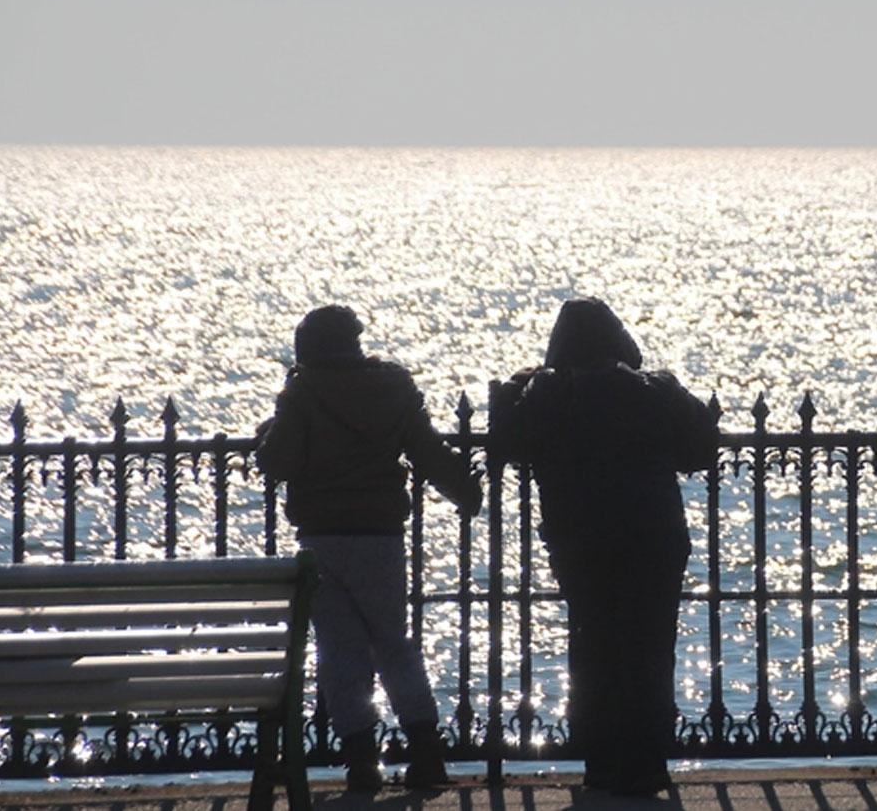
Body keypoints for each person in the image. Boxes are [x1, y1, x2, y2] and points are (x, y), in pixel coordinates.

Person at [491, 297, 716, 798]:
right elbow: (701, 448)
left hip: (581, 538)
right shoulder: (655, 389)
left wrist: (508, 391)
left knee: (594, 645)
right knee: (650, 648)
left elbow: (506, 444)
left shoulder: (548, 394)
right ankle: (647, 763)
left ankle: (602, 761)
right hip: (653, 535)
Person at [256, 305, 481, 792]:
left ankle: (361, 760)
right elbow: (428, 451)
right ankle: (426, 751)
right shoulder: (393, 389)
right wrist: (465, 490)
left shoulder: (303, 392)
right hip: (380, 535)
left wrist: (267, 434)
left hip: (321, 536)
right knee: (394, 644)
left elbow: (278, 462)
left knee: (339, 651)